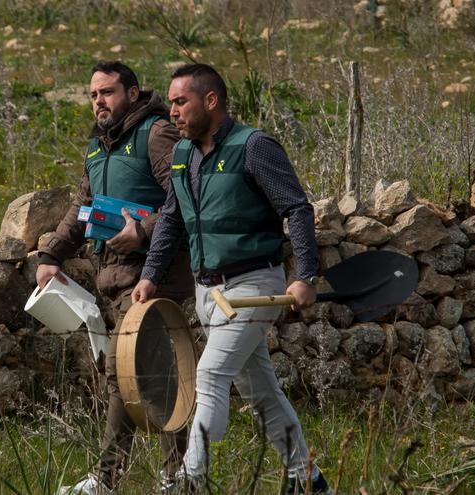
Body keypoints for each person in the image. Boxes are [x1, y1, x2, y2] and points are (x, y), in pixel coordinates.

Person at [132, 63, 333, 494]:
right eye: (170, 102)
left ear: (211, 101)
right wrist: (150, 274)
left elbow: (296, 209)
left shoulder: (254, 147)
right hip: (209, 293)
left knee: (210, 375)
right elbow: (171, 217)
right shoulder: (183, 154)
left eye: (180, 101)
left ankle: (191, 481)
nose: (172, 111)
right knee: (261, 392)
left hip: (254, 286)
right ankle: (308, 480)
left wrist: (306, 276)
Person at [37, 61, 194, 495]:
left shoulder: (155, 134)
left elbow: (184, 198)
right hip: (113, 278)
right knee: (141, 373)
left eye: (107, 92)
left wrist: (142, 231)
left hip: (152, 277)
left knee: (133, 372)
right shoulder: (96, 148)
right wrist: (52, 254)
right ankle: (171, 478)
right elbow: (81, 209)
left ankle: (137, 478)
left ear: (132, 92)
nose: (99, 102)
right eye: (93, 95)